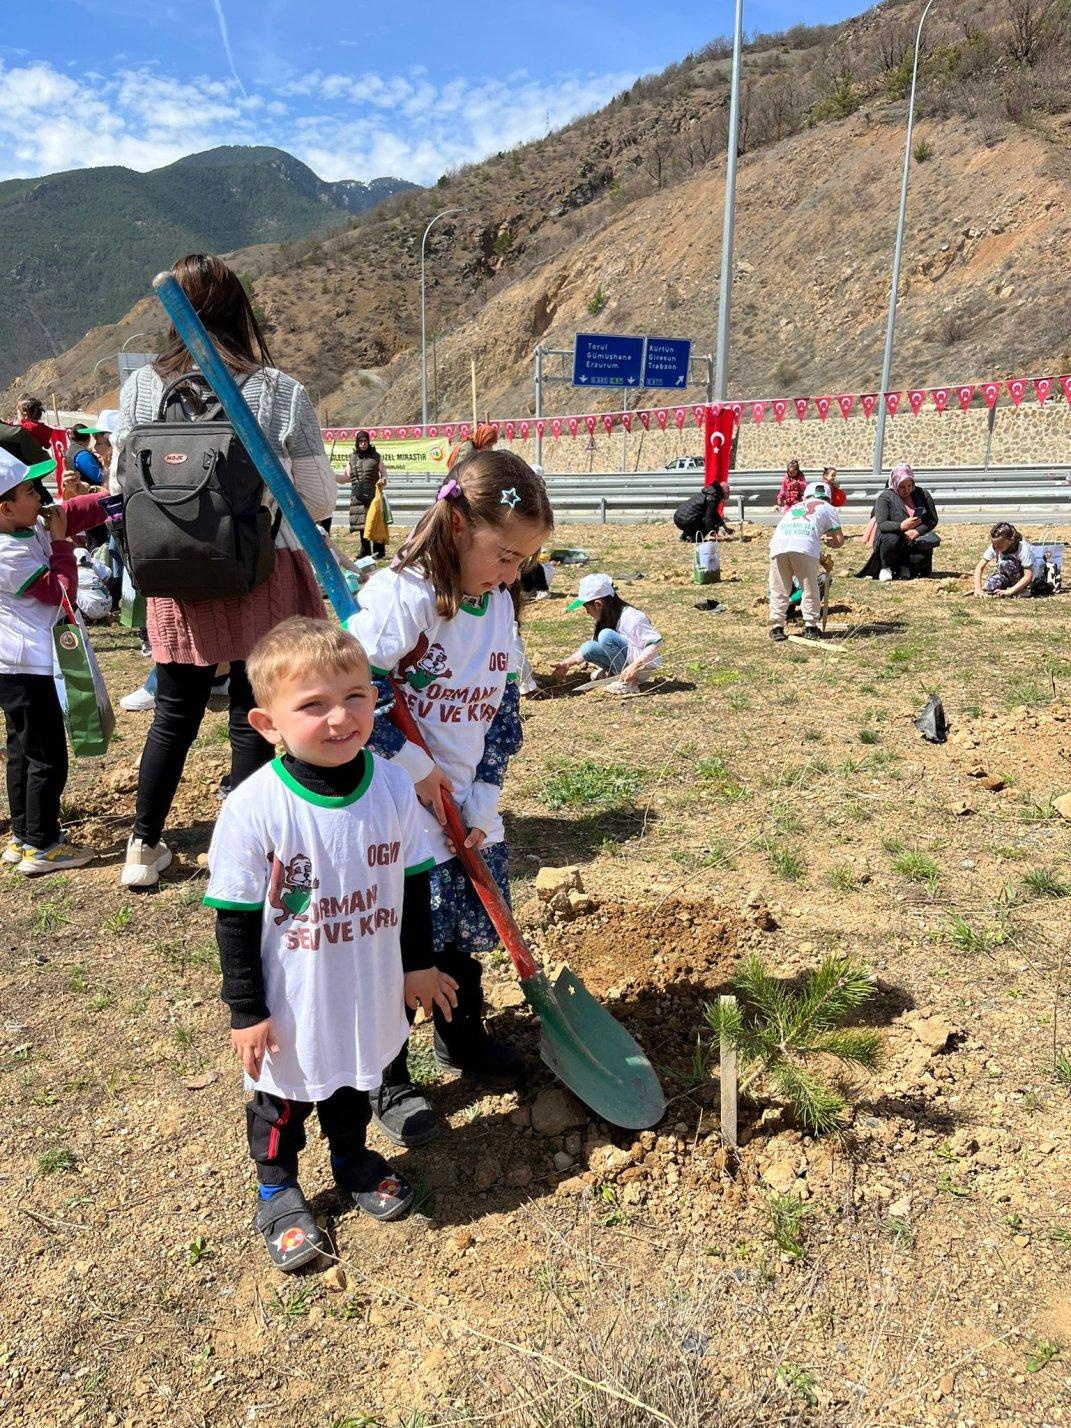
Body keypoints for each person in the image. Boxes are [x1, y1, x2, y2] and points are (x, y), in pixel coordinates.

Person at [204, 618, 458, 1269]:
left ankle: (352, 1158)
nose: (339, 717)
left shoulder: (394, 788)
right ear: (267, 724)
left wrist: (418, 966)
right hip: (292, 999)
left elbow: (411, 882)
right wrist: (246, 1009)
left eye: (353, 697)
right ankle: (277, 1187)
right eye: (312, 705)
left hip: (367, 986)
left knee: (353, 1077)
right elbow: (233, 916)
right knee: (281, 1097)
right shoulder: (254, 806)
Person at [346, 450, 553, 1148]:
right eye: (505, 553)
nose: (512, 572)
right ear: (459, 524)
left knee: (461, 935)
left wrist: (485, 791)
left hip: (463, 806)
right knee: (400, 944)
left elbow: (501, 709)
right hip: (393, 809)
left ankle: (461, 1036)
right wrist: (413, 766)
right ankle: (387, 1073)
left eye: (523, 559)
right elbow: (353, 698)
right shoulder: (398, 599)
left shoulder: (496, 604)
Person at [113, 253, 336, 889]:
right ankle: (231, 845)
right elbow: (316, 501)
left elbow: (122, 482)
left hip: (175, 571)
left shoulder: (140, 390)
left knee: (174, 711)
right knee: (249, 706)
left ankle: (142, 846)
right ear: (240, 309)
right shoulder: (278, 390)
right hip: (258, 567)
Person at [0, 446, 113, 874]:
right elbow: (60, 590)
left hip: (18, 666)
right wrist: (64, 542)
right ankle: (43, 846)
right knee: (47, 756)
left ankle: (23, 835)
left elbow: (72, 510)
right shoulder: (6, 553)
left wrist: (114, 496)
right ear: (7, 507)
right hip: (26, 667)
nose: (42, 496)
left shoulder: (21, 529)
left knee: (23, 751)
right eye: (32, 491)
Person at [553, 573, 662, 694]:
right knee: (588, 646)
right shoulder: (608, 618)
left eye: (586, 607)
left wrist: (635, 667)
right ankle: (614, 674)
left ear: (598, 604)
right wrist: (566, 664)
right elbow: (591, 649)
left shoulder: (633, 617)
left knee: (606, 636)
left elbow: (655, 642)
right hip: (628, 662)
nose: (587, 612)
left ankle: (628, 683)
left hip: (640, 667)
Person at [768, 479, 844, 642]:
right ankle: (810, 627)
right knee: (810, 588)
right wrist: (829, 543)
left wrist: (821, 557)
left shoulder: (795, 507)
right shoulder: (828, 508)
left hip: (778, 546)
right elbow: (838, 541)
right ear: (828, 498)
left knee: (779, 588)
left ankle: (777, 628)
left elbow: (797, 536)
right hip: (804, 549)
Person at [855, 463, 940, 582]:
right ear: (895, 484)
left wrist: (916, 531)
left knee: (920, 563)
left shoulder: (922, 494)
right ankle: (886, 568)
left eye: (910, 486)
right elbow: (883, 524)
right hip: (892, 537)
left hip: (914, 537)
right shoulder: (885, 497)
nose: (907, 490)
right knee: (892, 539)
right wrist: (901, 526)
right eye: (902, 487)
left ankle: (905, 567)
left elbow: (932, 519)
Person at [345, 431, 388, 557]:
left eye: (365, 441)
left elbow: (384, 474)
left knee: (375, 521)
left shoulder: (376, 456)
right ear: (357, 443)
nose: (363, 444)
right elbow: (346, 477)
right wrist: (329, 475)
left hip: (373, 493)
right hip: (357, 494)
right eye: (360, 441)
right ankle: (365, 550)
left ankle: (379, 551)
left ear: (369, 442)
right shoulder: (352, 458)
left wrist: (383, 480)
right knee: (362, 523)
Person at [974, 522, 1036, 598]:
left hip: (1024, 580)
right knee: (991, 586)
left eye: (1000, 546)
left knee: (1006, 563)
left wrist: (1010, 592)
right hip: (1007, 576)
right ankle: (1008, 588)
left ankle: (1022, 590)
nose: (996, 549)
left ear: (1011, 540)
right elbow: (979, 567)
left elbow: (1028, 576)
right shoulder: (995, 546)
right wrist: (978, 588)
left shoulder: (1023, 549)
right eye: (994, 545)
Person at [63, 425, 104, 492]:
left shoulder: (71, 449)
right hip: (89, 493)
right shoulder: (83, 455)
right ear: (89, 439)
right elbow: (99, 477)